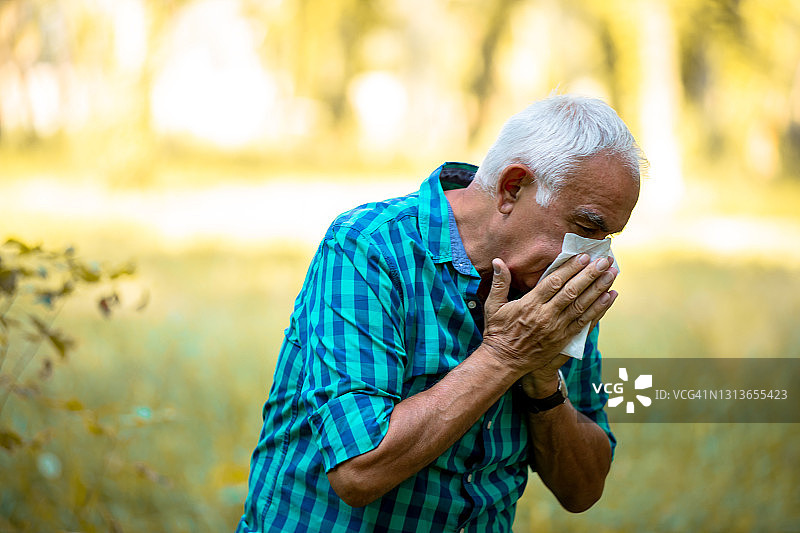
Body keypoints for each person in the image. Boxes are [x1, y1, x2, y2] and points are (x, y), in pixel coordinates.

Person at [236, 94, 644, 532]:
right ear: (513, 188)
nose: (599, 258)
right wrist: (505, 356)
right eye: (587, 229)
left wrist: (543, 383)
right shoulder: (369, 247)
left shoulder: (558, 285)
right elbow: (358, 470)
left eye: (608, 237)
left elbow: (583, 490)